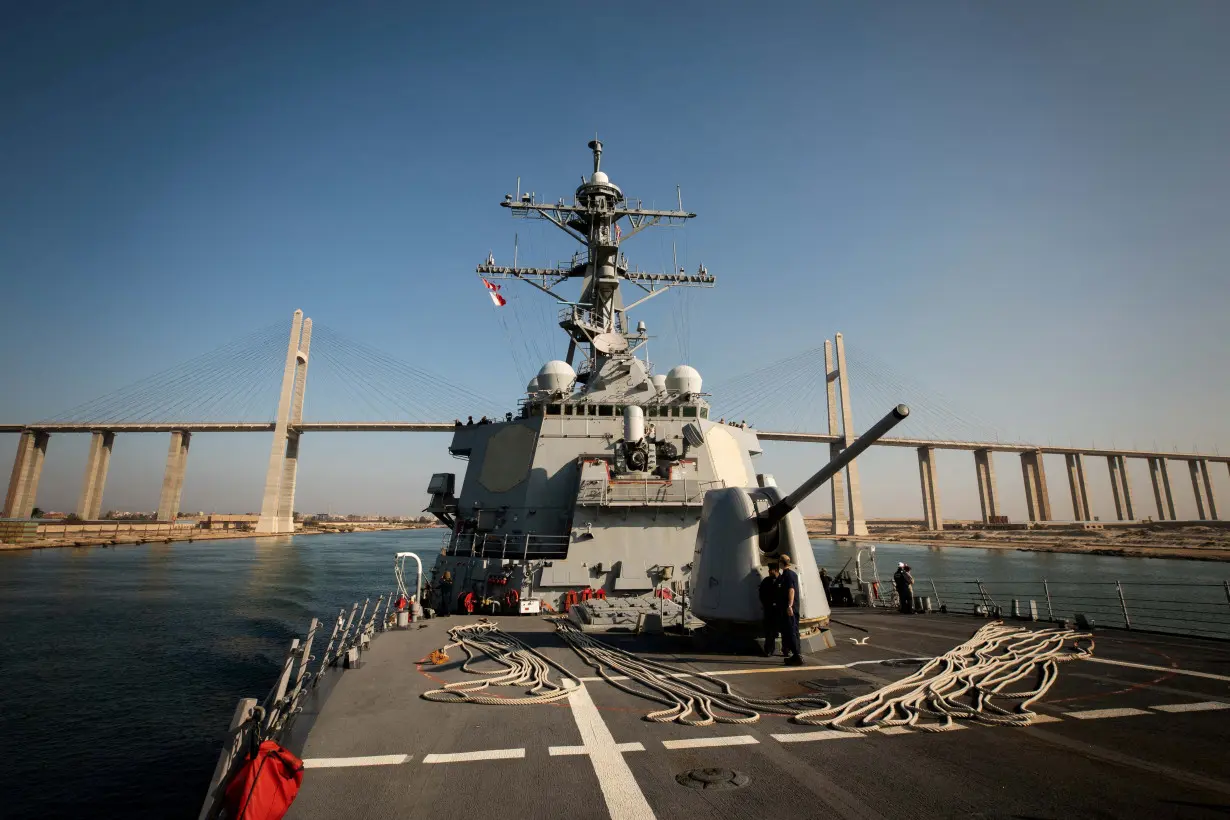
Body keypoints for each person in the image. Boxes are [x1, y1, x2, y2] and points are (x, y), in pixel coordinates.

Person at [776, 554, 804, 666]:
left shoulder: (788, 575)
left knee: (791, 630)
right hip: (789, 608)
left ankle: (797, 655)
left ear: (781, 563)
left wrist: (789, 606)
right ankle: (795, 654)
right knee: (791, 630)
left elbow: (791, 590)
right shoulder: (789, 574)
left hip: (790, 609)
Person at [758, 564, 781, 657]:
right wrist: (766, 604)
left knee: (783, 629)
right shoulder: (766, 581)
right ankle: (768, 650)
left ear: (775, 570)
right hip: (769, 610)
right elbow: (761, 593)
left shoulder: (782, 580)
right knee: (769, 631)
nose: (769, 572)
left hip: (779, 610)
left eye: (770, 570)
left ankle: (786, 649)